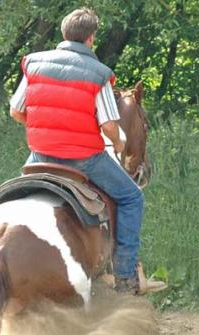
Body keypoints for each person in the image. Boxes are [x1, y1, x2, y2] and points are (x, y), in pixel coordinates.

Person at [9, 8, 159, 295]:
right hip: (84, 159)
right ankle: (126, 278)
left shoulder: (35, 63)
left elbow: (17, 111)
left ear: (64, 34)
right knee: (131, 198)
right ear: (91, 39)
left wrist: (42, 127)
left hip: (40, 155)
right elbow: (108, 125)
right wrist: (117, 143)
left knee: (13, 196)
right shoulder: (99, 74)